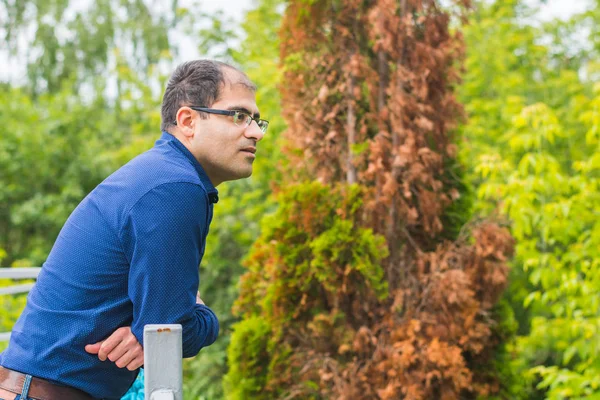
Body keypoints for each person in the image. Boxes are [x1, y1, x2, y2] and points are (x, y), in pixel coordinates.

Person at [0, 59, 267, 400]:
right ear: (188, 121)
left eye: (257, 120)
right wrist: (203, 316)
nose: (256, 131)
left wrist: (152, 329)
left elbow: (158, 331)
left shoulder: (163, 175)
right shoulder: (174, 187)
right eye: (239, 116)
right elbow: (172, 332)